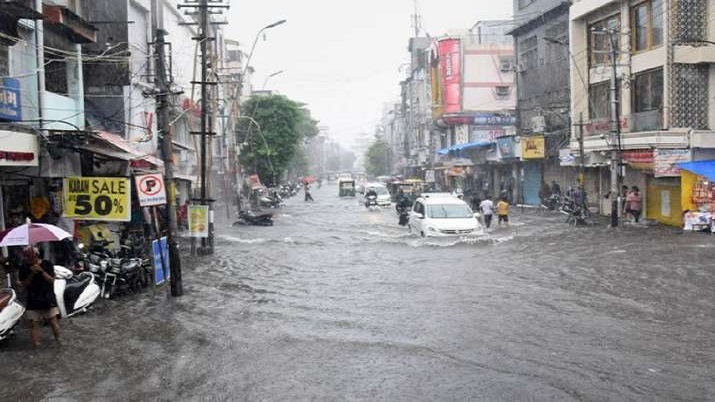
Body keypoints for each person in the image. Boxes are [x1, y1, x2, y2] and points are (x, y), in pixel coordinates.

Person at [18, 246, 60, 348]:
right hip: (33, 298)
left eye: (29, 256)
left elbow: (51, 280)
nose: (28, 259)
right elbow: (24, 284)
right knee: (33, 324)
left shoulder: (47, 264)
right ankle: (36, 346)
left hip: (47, 298)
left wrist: (41, 271)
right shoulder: (24, 267)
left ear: (36, 255)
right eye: (26, 256)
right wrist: (32, 273)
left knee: (53, 322)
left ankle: (58, 342)